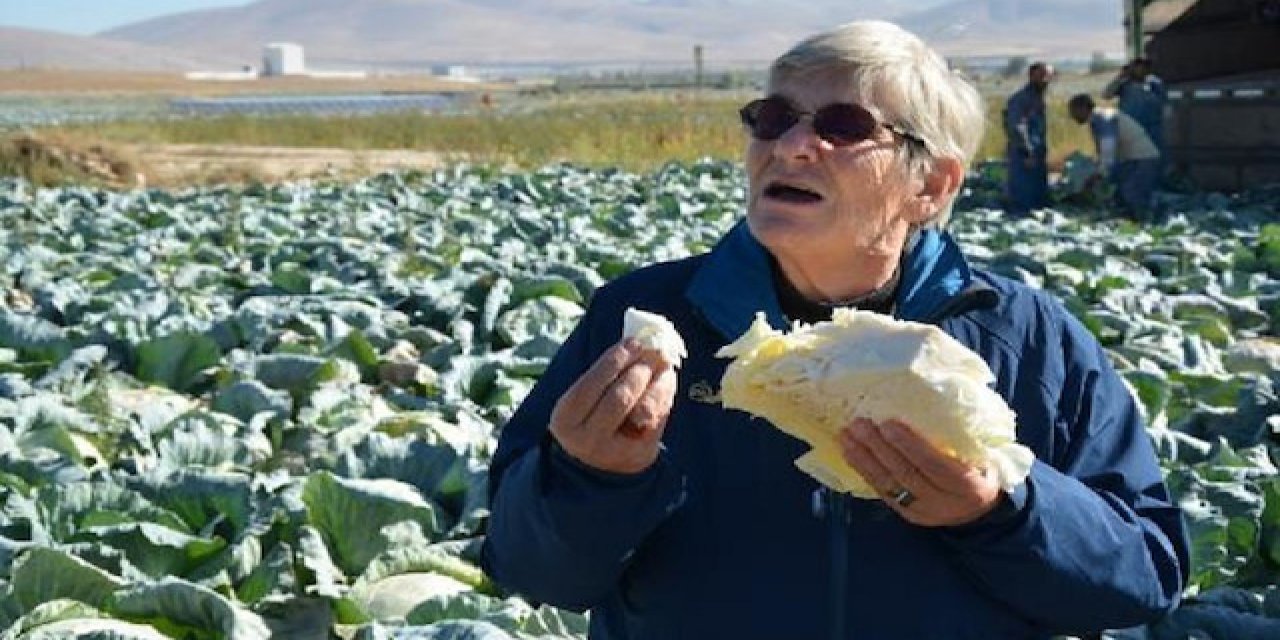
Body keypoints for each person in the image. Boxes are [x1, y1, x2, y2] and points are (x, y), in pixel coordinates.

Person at [484, 21, 1188, 640]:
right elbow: (528, 569)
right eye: (773, 116)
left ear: (932, 186)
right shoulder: (641, 321)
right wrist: (584, 481)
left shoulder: (1028, 342)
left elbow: (1145, 574)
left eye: (842, 126)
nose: (791, 145)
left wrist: (1000, 511)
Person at [1068, 93, 1162, 220]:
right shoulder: (1097, 120)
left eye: (1073, 111)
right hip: (1132, 159)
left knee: (1133, 196)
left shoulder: (1103, 118)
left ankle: (1144, 225)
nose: (1072, 116)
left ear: (1083, 108)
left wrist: (1098, 174)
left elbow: (1108, 150)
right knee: (1123, 196)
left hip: (1142, 159)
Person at [1003, 62, 1053, 215]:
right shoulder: (1021, 100)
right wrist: (1026, 151)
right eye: (1041, 76)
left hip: (1037, 153)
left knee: (1038, 197)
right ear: (1031, 76)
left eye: (1048, 76)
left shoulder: (1039, 99)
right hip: (1023, 154)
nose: (1045, 80)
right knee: (1023, 197)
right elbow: (1016, 127)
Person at [1102, 57, 1167, 160]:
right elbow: (1106, 95)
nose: (1140, 71)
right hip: (1131, 127)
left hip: (1152, 128)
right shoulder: (1125, 84)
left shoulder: (1154, 83)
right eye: (1136, 67)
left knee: (1154, 157)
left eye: (1143, 67)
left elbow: (1164, 101)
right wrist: (1120, 77)